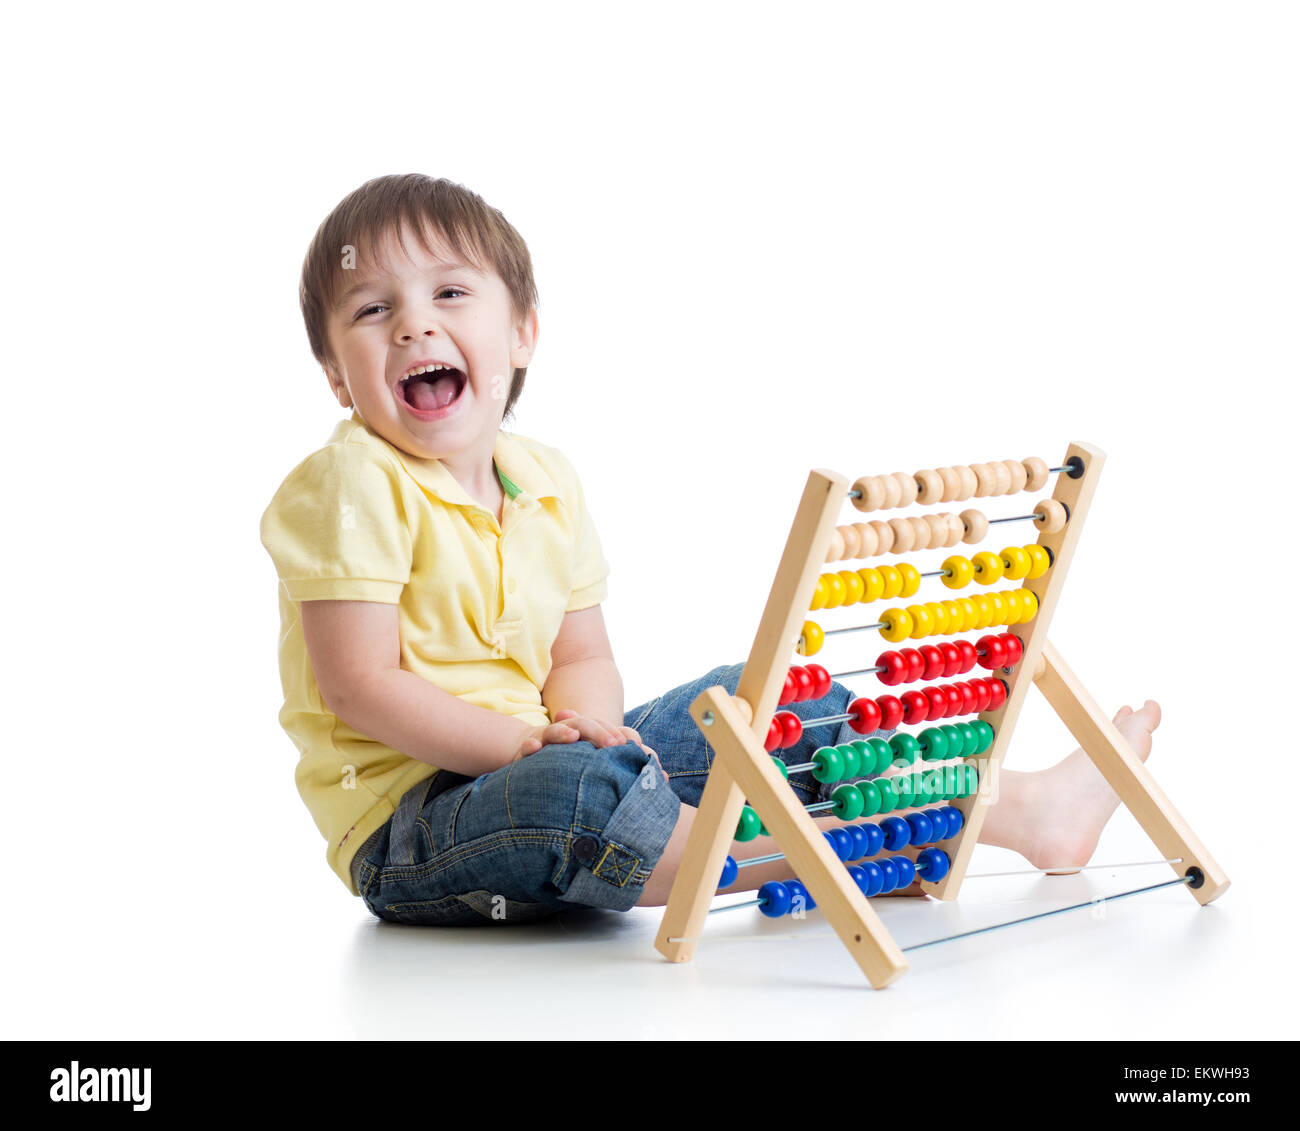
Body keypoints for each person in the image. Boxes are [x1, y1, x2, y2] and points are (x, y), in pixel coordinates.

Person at [260, 173, 1161, 925]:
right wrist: (530, 746)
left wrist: (585, 722)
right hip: (422, 825)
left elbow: (581, 652)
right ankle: (787, 857)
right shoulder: (350, 482)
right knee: (578, 790)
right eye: (374, 309)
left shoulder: (544, 479)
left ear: (523, 332)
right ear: (337, 374)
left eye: (450, 293)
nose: (415, 325)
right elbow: (360, 685)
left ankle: (1021, 812)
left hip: (550, 754)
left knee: (757, 700)